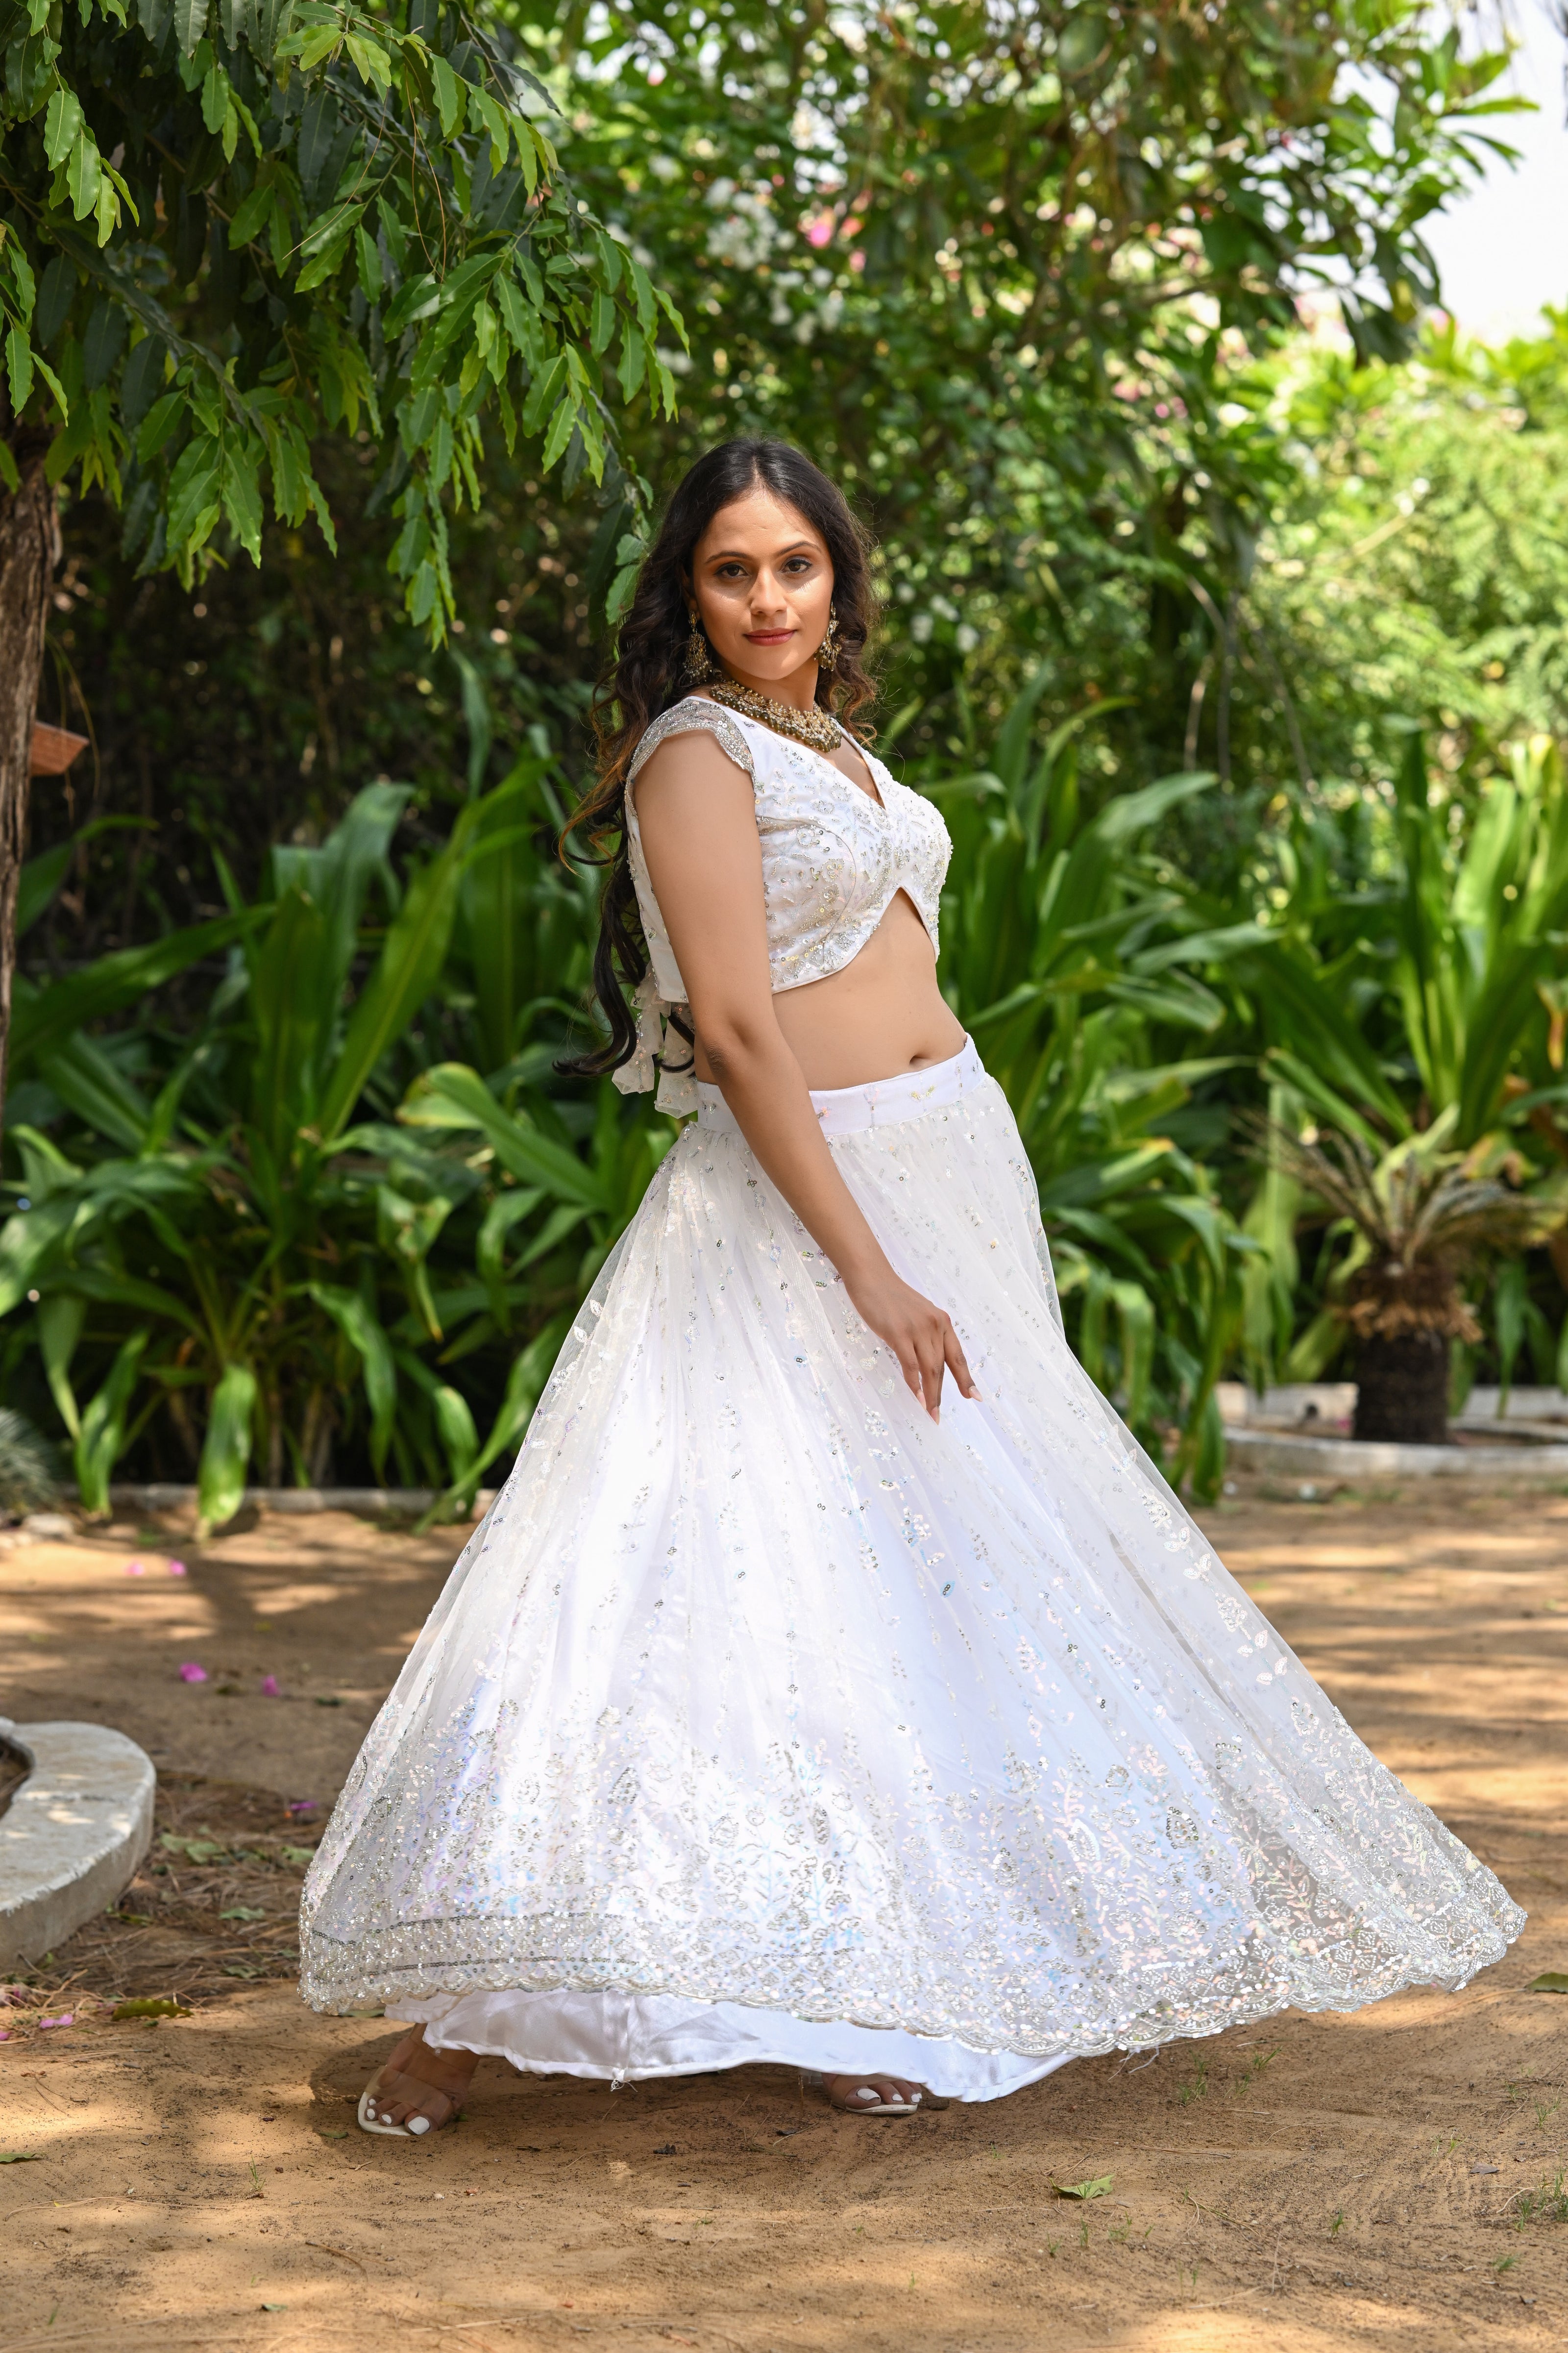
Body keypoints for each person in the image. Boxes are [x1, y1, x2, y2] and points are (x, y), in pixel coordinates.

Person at [299, 439, 1521, 2136]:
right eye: (733, 570)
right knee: (706, 1594)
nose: (770, 597)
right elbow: (732, 1031)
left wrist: (936, 1221)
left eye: (797, 565)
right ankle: (470, 2021)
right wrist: (869, 1268)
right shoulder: (696, 755)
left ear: (837, 578)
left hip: (943, 1166)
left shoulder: (834, 745)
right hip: (809, 1212)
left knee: (910, 1594)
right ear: (689, 593)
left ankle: (865, 1971)